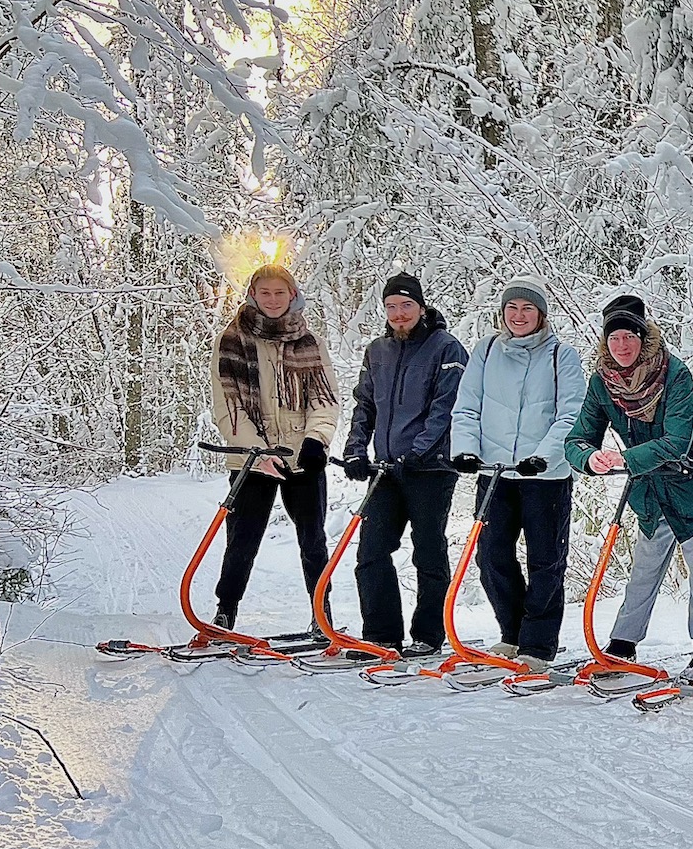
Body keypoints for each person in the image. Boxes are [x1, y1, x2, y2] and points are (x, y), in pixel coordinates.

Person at [564, 295, 693, 672]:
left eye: (629, 337)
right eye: (614, 338)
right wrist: (589, 458)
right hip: (651, 489)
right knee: (644, 567)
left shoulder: (674, 373)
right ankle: (624, 641)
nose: (622, 345)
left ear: (644, 338)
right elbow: (577, 438)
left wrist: (626, 459)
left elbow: (677, 440)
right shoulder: (602, 383)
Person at [449, 276, 585, 672]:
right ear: (502, 313)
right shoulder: (487, 350)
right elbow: (467, 405)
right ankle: (511, 633)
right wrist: (465, 450)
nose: (519, 315)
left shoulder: (562, 355)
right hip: (495, 472)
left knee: (545, 560)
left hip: (544, 476)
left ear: (541, 314)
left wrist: (543, 455)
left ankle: (539, 644)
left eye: (527, 309)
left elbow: (570, 414)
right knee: (491, 555)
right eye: (512, 308)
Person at [210, 263, 341, 636]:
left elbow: (325, 399)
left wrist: (317, 440)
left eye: (279, 293)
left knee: (313, 540)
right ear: (253, 295)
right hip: (251, 460)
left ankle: (322, 614)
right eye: (264, 293)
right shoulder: (232, 340)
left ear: (292, 295)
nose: (272, 300)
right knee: (242, 538)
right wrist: (257, 453)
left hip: (302, 457)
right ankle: (226, 611)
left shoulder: (308, 341)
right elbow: (228, 406)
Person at [342, 273, 468, 657]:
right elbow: (365, 404)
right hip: (385, 470)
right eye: (391, 307)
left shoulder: (446, 349)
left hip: (429, 469)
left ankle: (429, 635)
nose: (398, 314)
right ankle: (382, 634)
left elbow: (446, 407)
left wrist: (419, 451)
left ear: (421, 306)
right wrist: (355, 449)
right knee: (371, 551)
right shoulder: (377, 351)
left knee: (428, 550)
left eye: (406, 306)